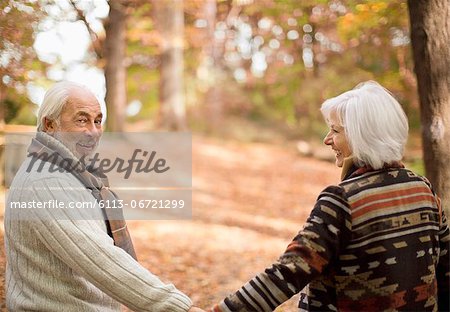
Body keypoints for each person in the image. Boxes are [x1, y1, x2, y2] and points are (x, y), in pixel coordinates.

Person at [211, 81, 450, 311]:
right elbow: (446, 272)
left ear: (361, 136)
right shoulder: (424, 190)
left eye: (335, 130)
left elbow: (289, 272)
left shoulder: (342, 200)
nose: (327, 139)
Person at [4, 81, 204, 312]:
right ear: (50, 125)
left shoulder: (69, 171)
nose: (93, 131)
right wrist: (179, 308)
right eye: (81, 120)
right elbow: (101, 259)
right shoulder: (46, 182)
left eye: (97, 121)